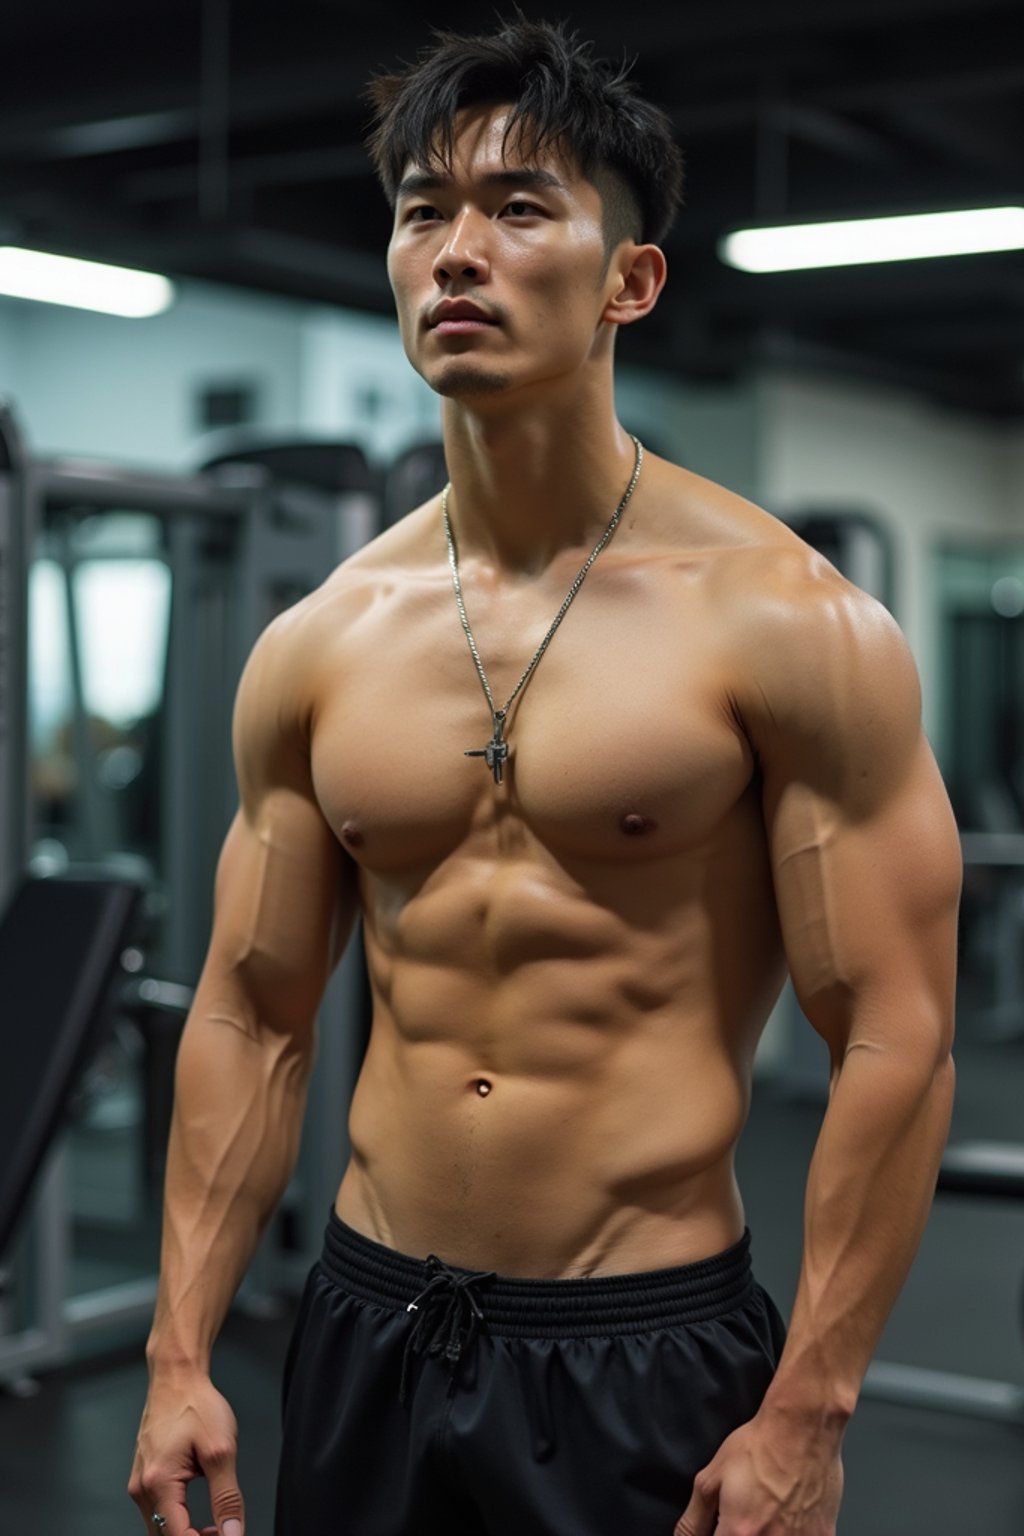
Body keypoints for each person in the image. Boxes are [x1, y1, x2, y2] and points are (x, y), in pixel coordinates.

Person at [129, 18, 961, 1536]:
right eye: (423, 210)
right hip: (365, 1326)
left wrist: (810, 1412)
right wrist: (178, 1350)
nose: (458, 251)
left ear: (628, 281)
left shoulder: (788, 623)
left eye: (519, 209)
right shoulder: (321, 642)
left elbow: (896, 1035)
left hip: (639, 1349)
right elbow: (253, 1010)